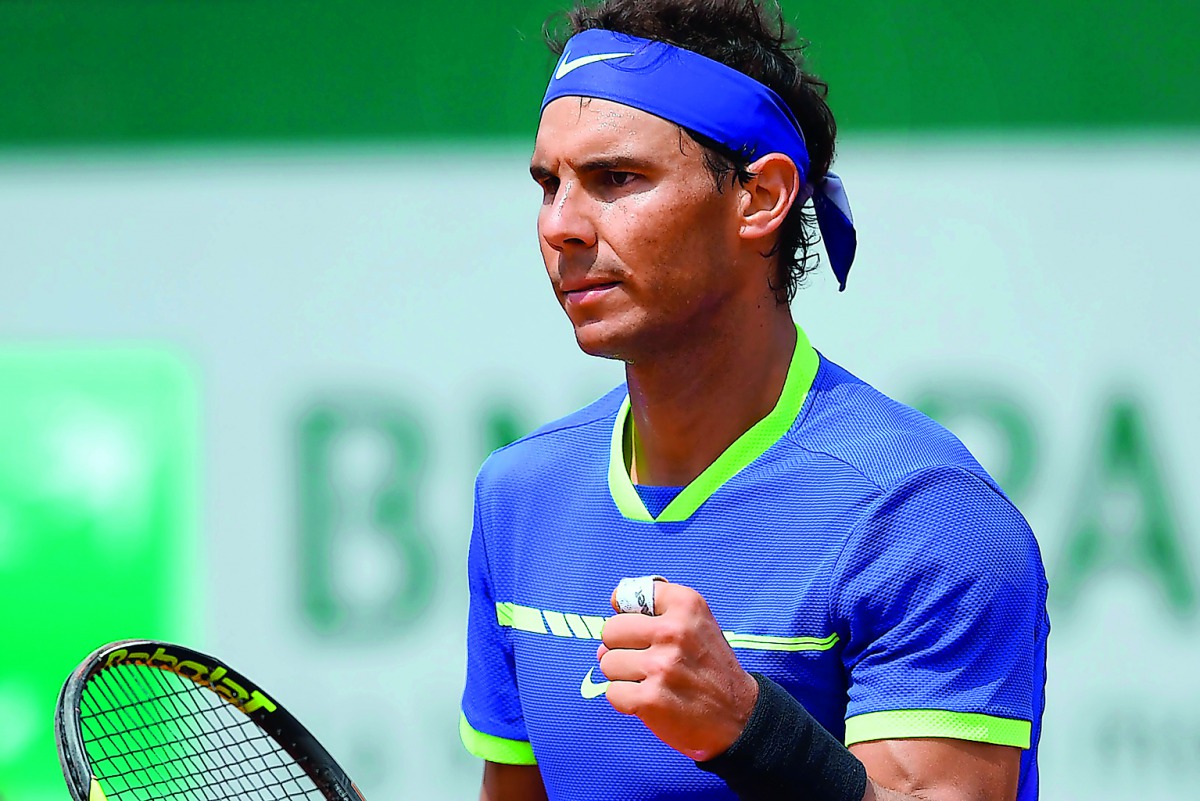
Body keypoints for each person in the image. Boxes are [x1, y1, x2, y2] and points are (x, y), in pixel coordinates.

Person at [459, 1, 1049, 799]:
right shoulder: (518, 497)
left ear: (761, 197)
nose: (561, 225)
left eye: (615, 179)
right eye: (548, 184)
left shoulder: (924, 514)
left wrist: (748, 727)